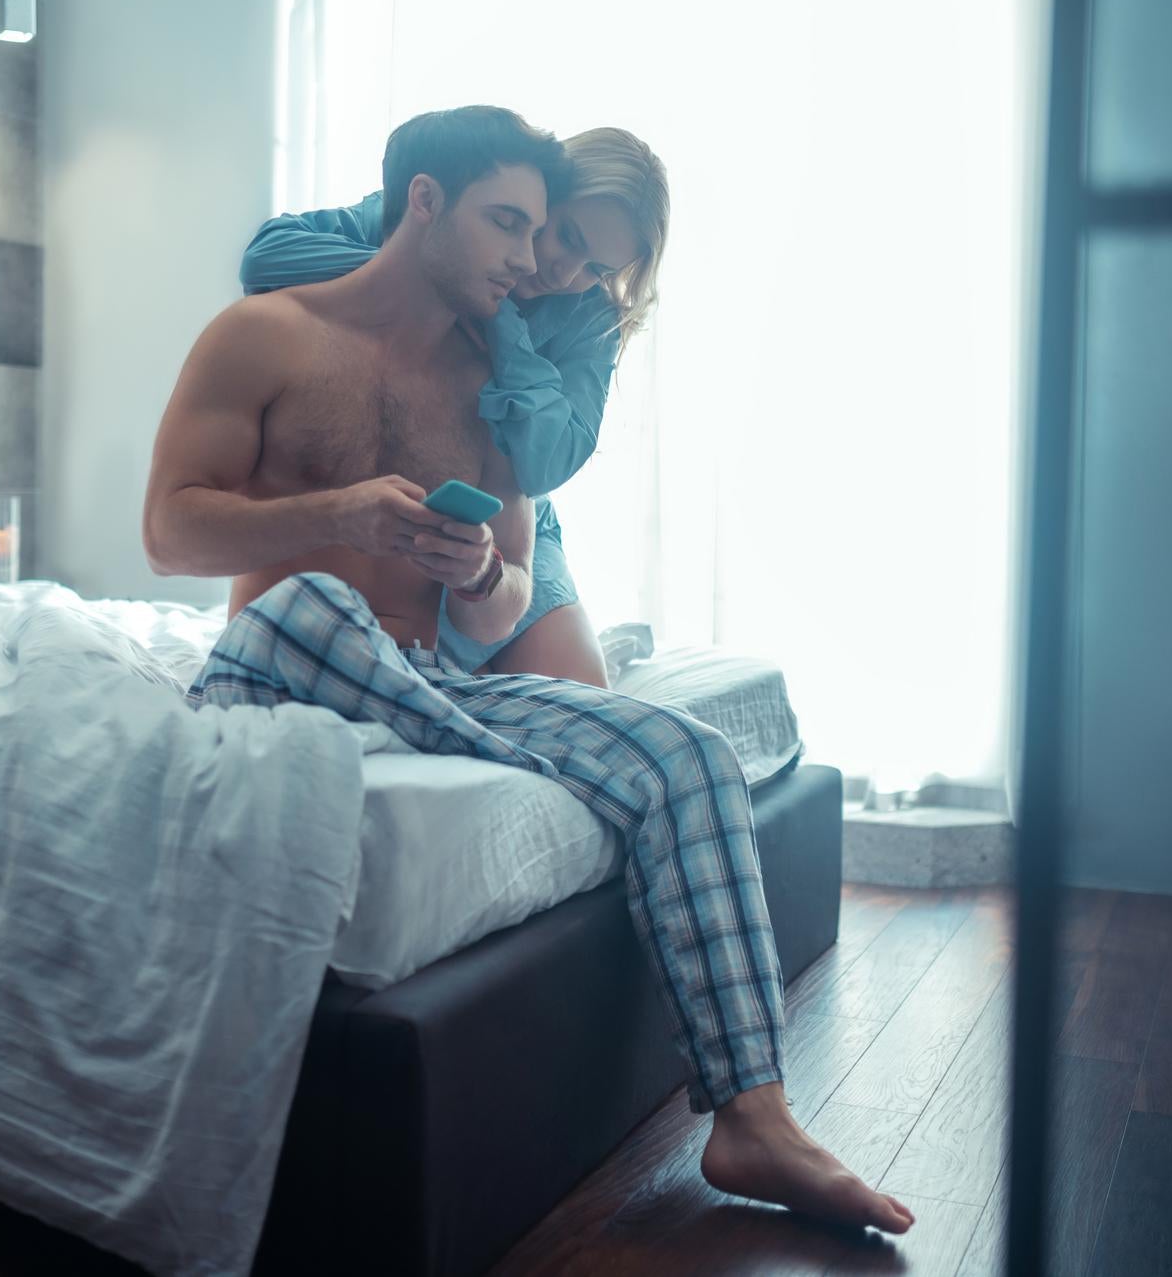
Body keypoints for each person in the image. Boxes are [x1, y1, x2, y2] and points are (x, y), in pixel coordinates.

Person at [142, 105, 913, 1235]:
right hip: (277, 665)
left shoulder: (495, 381)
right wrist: (341, 511)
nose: (532, 261)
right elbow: (169, 530)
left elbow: (504, 593)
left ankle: (752, 1113)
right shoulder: (264, 331)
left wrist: (479, 573)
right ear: (421, 204)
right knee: (320, 602)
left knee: (682, 753)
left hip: (422, 686)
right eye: (508, 223)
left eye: (544, 232)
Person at [239, 126, 668, 688]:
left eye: (599, 269)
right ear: (542, 195)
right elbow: (266, 261)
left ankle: (476, 665)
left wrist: (494, 320)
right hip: (385, 494)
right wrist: (431, 279)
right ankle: (471, 670)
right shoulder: (436, 217)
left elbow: (547, 466)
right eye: (566, 235)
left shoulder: (590, 317)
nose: (566, 272)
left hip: (510, 528)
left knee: (590, 702)